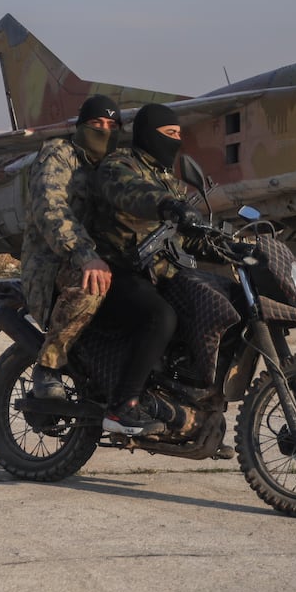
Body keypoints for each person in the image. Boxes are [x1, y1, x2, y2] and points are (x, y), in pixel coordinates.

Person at [87, 103, 203, 437]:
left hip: (154, 272)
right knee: (161, 317)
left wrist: (229, 242)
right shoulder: (119, 166)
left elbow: (184, 234)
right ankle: (122, 408)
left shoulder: (168, 179)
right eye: (170, 135)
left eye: (179, 135)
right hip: (114, 270)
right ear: (149, 134)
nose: (176, 142)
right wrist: (167, 204)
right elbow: (132, 194)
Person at [21, 94, 121, 401]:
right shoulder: (58, 155)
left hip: (99, 259)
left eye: (111, 125)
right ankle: (48, 365)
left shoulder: (114, 165)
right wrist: (84, 255)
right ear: (81, 126)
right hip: (51, 266)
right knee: (91, 285)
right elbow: (51, 209)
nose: (104, 130)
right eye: (96, 123)